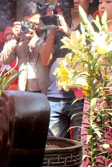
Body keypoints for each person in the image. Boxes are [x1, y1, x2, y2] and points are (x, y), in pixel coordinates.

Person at [40, 0, 93, 140]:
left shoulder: (93, 25)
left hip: (80, 97)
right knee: (55, 146)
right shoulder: (60, 20)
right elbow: (45, 60)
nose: (75, 0)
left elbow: (90, 57)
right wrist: (52, 31)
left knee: (79, 145)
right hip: (55, 95)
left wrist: (68, 32)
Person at [0, 2, 49, 94]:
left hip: (45, 91)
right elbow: (4, 60)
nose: (32, 27)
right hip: (25, 92)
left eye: (35, 24)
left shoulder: (48, 36)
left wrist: (34, 38)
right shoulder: (20, 40)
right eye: (28, 23)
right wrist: (15, 38)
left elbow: (47, 57)